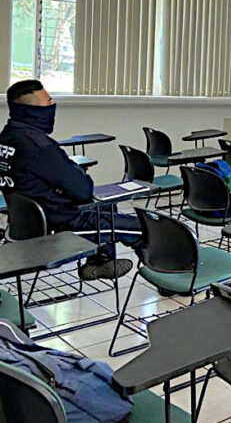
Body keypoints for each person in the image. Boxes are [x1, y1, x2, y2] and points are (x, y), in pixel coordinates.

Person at [0, 80, 139, 280]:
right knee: (143, 228)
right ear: (31, 109)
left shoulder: (6, 138)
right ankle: (173, 277)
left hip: (25, 223)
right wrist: (67, 182)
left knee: (106, 206)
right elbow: (82, 189)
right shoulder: (40, 147)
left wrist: (62, 184)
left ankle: (100, 261)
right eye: (48, 103)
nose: (52, 107)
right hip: (62, 225)